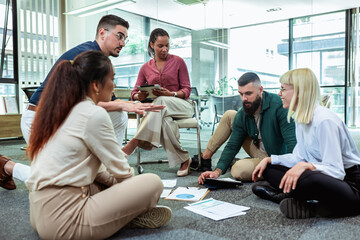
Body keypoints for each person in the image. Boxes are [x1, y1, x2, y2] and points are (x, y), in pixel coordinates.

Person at [2, 15, 164, 189]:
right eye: (120, 36)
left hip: (65, 120)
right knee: (57, 181)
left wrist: (131, 105)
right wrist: (125, 105)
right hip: (40, 120)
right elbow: (80, 104)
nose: (123, 43)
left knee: (119, 115)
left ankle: (108, 164)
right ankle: (7, 166)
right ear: (102, 33)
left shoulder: (101, 61)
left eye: (125, 38)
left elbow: (108, 101)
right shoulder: (84, 56)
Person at [26, 50, 172, 239]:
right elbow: (122, 172)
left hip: (39, 214)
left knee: (99, 177)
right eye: (112, 78)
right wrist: (137, 197)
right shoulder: (93, 114)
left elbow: (100, 171)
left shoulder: (62, 109)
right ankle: (128, 215)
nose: (114, 85)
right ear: (96, 85)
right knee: (152, 183)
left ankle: (120, 215)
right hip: (65, 222)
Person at [252, 68, 360, 219]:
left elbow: (337, 171)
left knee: (309, 177)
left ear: (299, 91)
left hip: (350, 184)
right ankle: (296, 195)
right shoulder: (301, 119)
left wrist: (306, 166)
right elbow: (299, 157)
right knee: (269, 168)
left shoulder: (324, 120)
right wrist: (269, 159)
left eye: (283, 89)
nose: (279, 93)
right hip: (324, 176)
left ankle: (309, 205)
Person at [198, 72, 297, 184]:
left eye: (248, 94)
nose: (244, 99)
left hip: (275, 158)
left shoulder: (280, 106)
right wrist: (217, 171)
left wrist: (286, 170)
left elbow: (293, 144)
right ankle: (206, 158)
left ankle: (259, 167)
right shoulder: (244, 112)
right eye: (241, 94)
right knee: (230, 115)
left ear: (260, 90)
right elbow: (233, 145)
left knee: (238, 170)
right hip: (258, 149)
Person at [121, 28, 193, 177]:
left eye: (167, 45)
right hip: (161, 111)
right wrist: (138, 97)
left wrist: (171, 93)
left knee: (159, 101)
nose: (165, 49)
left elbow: (187, 90)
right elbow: (133, 93)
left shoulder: (178, 62)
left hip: (182, 106)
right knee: (165, 122)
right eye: (160, 46)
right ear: (152, 45)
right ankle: (185, 160)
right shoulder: (145, 68)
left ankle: (133, 143)